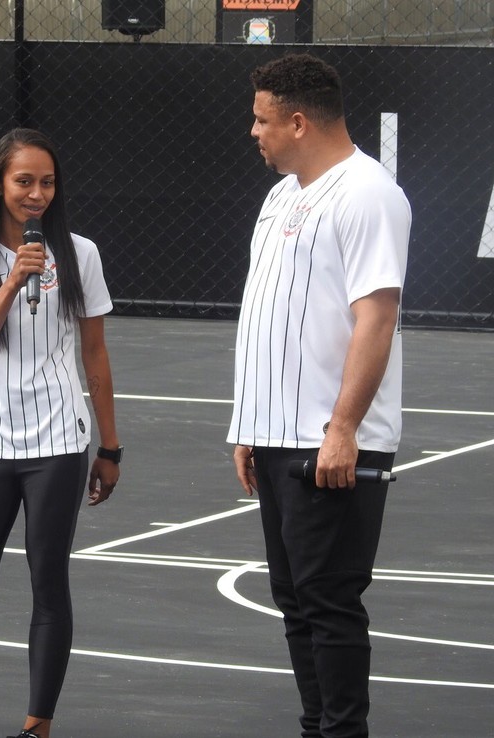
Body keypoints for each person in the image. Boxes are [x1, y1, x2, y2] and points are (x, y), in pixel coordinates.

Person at [227, 54, 410, 738]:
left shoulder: (368, 193)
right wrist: (248, 423)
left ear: (298, 121)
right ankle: (317, 726)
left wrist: (343, 427)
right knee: (295, 599)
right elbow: (272, 317)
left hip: (328, 441)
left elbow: (376, 316)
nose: (255, 131)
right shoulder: (283, 196)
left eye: (262, 119)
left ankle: (341, 732)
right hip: (276, 436)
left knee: (329, 600)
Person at [0, 127, 122, 738]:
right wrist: (12, 282)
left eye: (47, 182)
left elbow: (95, 354)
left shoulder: (80, 253)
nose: (37, 194)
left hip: (60, 443)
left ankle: (37, 728)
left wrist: (110, 447)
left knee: (49, 583)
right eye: (23, 181)